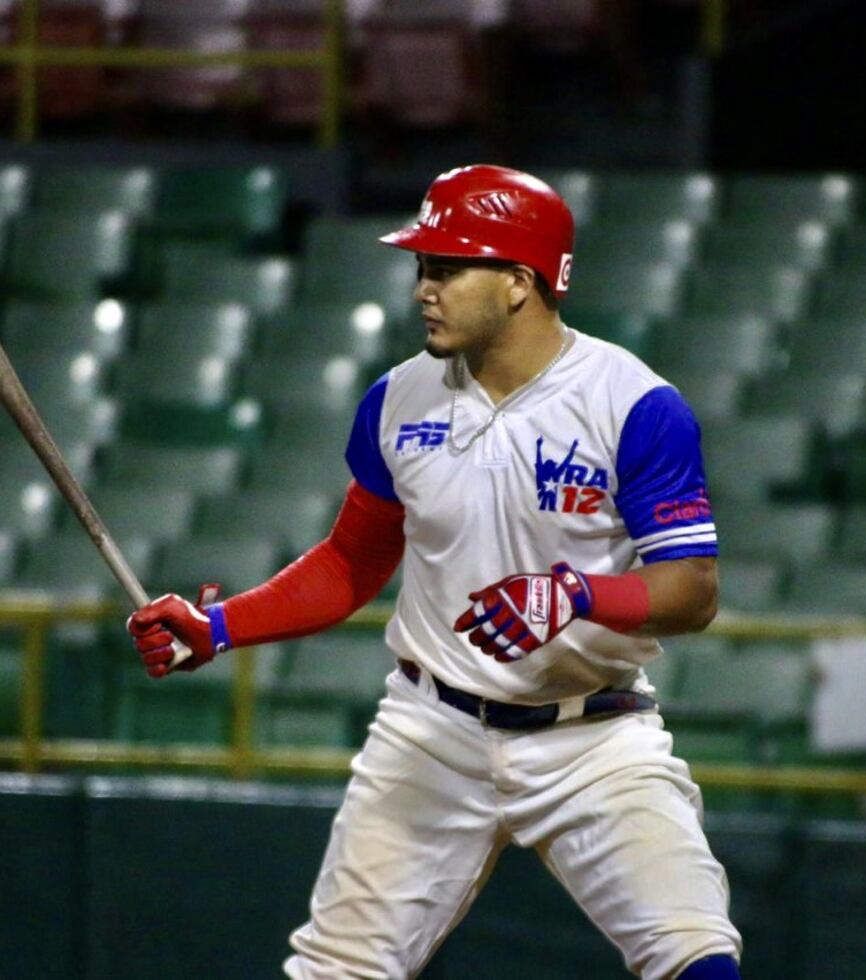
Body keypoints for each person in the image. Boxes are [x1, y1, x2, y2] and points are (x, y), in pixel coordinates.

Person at [127, 165, 742, 979]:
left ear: (520, 282)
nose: (425, 285)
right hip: (432, 730)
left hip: (592, 735)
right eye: (423, 265)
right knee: (336, 972)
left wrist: (577, 594)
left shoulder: (633, 405)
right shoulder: (397, 398)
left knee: (696, 956)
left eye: (449, 267)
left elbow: (692, 592)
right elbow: (351, 561)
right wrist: (218, 627)